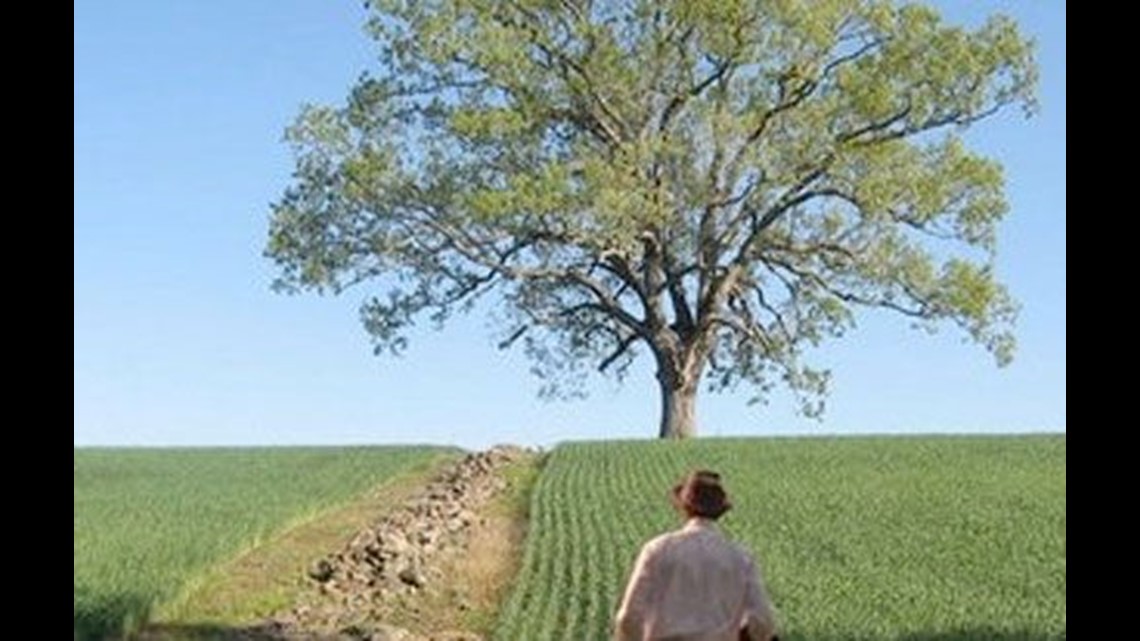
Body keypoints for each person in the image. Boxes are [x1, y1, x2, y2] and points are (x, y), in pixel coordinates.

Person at [613, 470, 779, 641]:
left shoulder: (657, 549)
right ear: (720, 510)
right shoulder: (741, 557)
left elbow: (629, 617)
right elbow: (762, 620)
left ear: (683, 507)